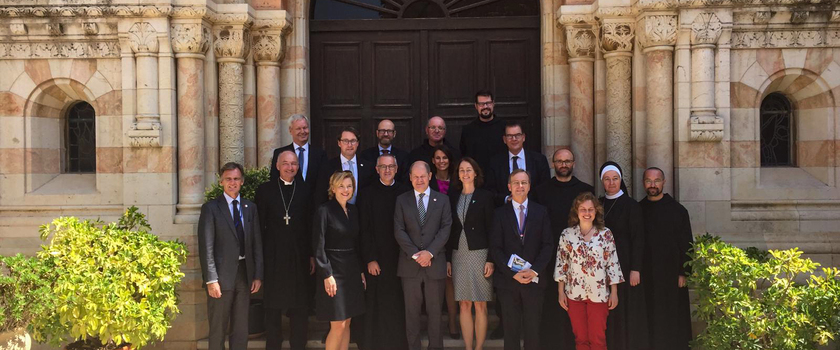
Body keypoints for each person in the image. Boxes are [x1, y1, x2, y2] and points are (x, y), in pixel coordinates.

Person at [532, 148, 594, 350]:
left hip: (579, 259)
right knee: (552, 302)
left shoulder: (586, 190)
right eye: (559, 161)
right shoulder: (541, 191)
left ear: (574, 163)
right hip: (549, 256)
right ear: (553, 164)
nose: (563, 164)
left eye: (567, 161)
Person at [198, 162, 263, 350]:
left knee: (241, 328)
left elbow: (256, 243)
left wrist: (257, 274)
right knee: (218, 329)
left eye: (236, 179)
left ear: (242, 182)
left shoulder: (250, 207)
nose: (232, 183)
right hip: (220, 277)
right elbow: (206, 246)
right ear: (221, 182)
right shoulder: (211, 208)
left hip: (244, 275)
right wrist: (211, 280)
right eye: (228, 179)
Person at [488, 169, 553, 350]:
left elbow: (547, 245)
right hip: (508, 283)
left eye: (524, 183)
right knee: (511, 331)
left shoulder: (541, 212)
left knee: (533, 331)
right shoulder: (500, 214)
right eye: (516, 183)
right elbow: (496, 248)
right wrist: (512, 274)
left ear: (529, 186)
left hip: (534, 281)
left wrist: (533, 271)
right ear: (509, 186)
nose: (520, 186)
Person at [255, 151, 313, 350]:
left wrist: (312, 254)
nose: (290, 167)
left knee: (300, 303)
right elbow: (258, 226)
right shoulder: (265, 191)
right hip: (273, 255)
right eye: (286, 164)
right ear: (277, 166)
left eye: (294, 164)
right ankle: (273, 343)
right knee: (272, 304)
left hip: (299, 254)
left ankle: (299, 344)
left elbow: (310, 224)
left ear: (298, 166)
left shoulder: (305, 190)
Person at [394, 161, 453, 350]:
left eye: (423, 176)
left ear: (430, 176)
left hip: (434, 263)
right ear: (410, 178)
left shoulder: (442, 200)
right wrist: (416, 254)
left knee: (435, 312)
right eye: (415, 176)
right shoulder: (402, 200)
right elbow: (399, 230)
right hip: (409, 265)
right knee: (411, 314)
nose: (419, 180)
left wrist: (429, 253)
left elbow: (446, 228)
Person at [555, 192, 624, 350]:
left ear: (596, 211)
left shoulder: (606, 234)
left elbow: (612, 264)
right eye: (583, 209)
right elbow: (561, 264)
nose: (587, 213)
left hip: (599, 294)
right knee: (580, 339)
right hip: (573, 293)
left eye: (590, 209)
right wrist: (561, 292)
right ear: (576, 211)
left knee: (598, 339)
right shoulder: (567, 234)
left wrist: (614, 292)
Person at [358, 154, 411, 350]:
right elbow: (365, 229)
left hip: (402, 258)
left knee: (398, 303)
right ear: (376, 169)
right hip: (377, 259)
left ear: (397, 169)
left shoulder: (405, 192)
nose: (387, 170)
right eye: (383, 167)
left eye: (391, 167)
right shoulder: (367, 193)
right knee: (376, 303)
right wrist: (370, 258)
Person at [638, 167, 694, 350]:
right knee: (649, 317)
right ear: (643, 183)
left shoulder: (678, 211)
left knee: (671, 319)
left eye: (656, 181)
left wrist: (683, 272)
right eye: (648, 181)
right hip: (646, 276)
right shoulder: (638, 209)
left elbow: (687, 244)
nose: (652, 185)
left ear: (664, 182)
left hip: (671, 277)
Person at [598, 161, 649, 350]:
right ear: (602, 181)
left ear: (621, 180)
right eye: (607, 179)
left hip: (626, 264)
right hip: (602, 267)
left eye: (615, 179)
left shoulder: (631, 205)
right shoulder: (597, 203)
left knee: (626, 309)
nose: (611, 183)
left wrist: (636, 268)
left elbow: (638, 238)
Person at [312, 171, 367, 350]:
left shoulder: (353, 210)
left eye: (349, 186)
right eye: (341, 186)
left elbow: (356, 243)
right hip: (333, 271)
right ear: (333, 188)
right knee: (338, 324)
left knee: (348, 321)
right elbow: (318, 245)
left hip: (351, 269)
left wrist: (360, 271)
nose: (346, 190)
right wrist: (327, 274)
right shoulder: (324, 210)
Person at [446, 157, 495, 350]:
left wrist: (491, 259)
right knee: (464, 304)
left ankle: (479, 347)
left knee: (480, 304)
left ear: (476, 173)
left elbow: (492, 229)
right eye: (461, 170)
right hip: (458, 255)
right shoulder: (452, 197)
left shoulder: (485, 196)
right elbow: (449, 229)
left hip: (480, 254)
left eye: (468, 170)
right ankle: (468, 347)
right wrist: (448, 259)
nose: (465, 174)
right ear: (457, 174)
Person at [485, 122, 550, 206]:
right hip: (504, 212)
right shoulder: (495, 162)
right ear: (504, 140)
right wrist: (506, 199)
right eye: (510, 136)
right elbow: (490, 190)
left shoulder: (539, 160)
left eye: (517, 135)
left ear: (523, 137)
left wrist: (525, 200)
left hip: (533, 210)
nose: (514, 139)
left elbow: (545, 188)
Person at [269, 114, 328, 195]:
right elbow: (275, 180)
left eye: (305, 128)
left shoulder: (320, 154)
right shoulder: (280, 153)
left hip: (314, 204)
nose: (302, 131)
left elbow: (323, 182)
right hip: (289, 202)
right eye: (298, 129)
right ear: (290, 130)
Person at [316, 127, 375, 205]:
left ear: (357, 143)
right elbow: (321, 195)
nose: (349, 145)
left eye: (353, 141)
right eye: (345, 141)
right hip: (335, 214)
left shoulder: (368, 167)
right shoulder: (328, 167)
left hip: (362, 214)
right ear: (339, 143)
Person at [460, 90, 507, 173]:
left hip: (500, 176)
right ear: (476, 106)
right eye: (481, 104)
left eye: (488, 103)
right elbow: (464, 155)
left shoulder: (504, 127)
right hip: (477, 177)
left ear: (493, 104)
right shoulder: (468, 130)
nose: (485, 106)